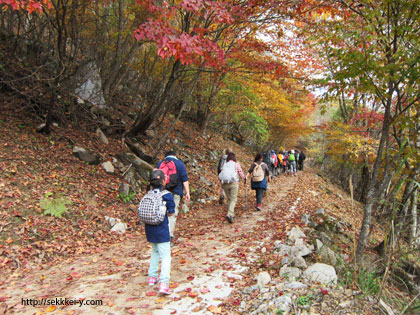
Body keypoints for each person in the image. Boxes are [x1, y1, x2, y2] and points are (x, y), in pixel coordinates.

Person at [144, 169, 175, 295]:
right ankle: (164, 283)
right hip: (161, 229)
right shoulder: (167, 195)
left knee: (155, 251)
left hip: (149, 229)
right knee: (166, 256)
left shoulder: (147, 194)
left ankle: (152, 277)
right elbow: (171, 212)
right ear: (163, 181)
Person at [157, 150, 190, 242]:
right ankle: (169, 235)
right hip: (175, 192)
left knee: (162, 212)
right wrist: (187, 192)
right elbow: (185, 179)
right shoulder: (179, 164)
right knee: (172, 213)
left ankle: (161, 233)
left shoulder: (160, 164)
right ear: (175, 155)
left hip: (162, 192)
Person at [218, 152, 245, 223]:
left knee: (229, 198)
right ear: (234, 158)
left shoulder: (225, 164)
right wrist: (244, 178)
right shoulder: (236, 164)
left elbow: (221, 173)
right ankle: (229, 214)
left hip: (225, 184)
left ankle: (232, 215)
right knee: (233, 199)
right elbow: (240, 172)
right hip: (234, 183)